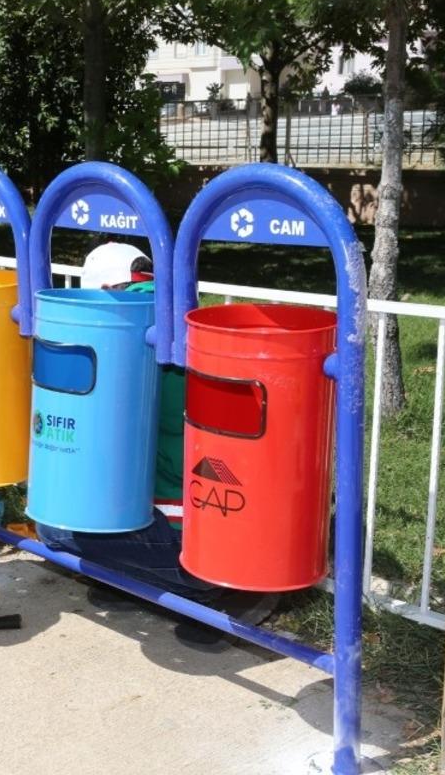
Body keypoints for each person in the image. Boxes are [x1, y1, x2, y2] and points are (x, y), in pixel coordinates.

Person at [37, 243, 277, 639]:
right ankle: (142, 581)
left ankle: (220, 593)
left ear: (103, 291)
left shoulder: (119, 336)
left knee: (56, 528)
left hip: (193, 529)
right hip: (234, 516)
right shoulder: (186, 319)